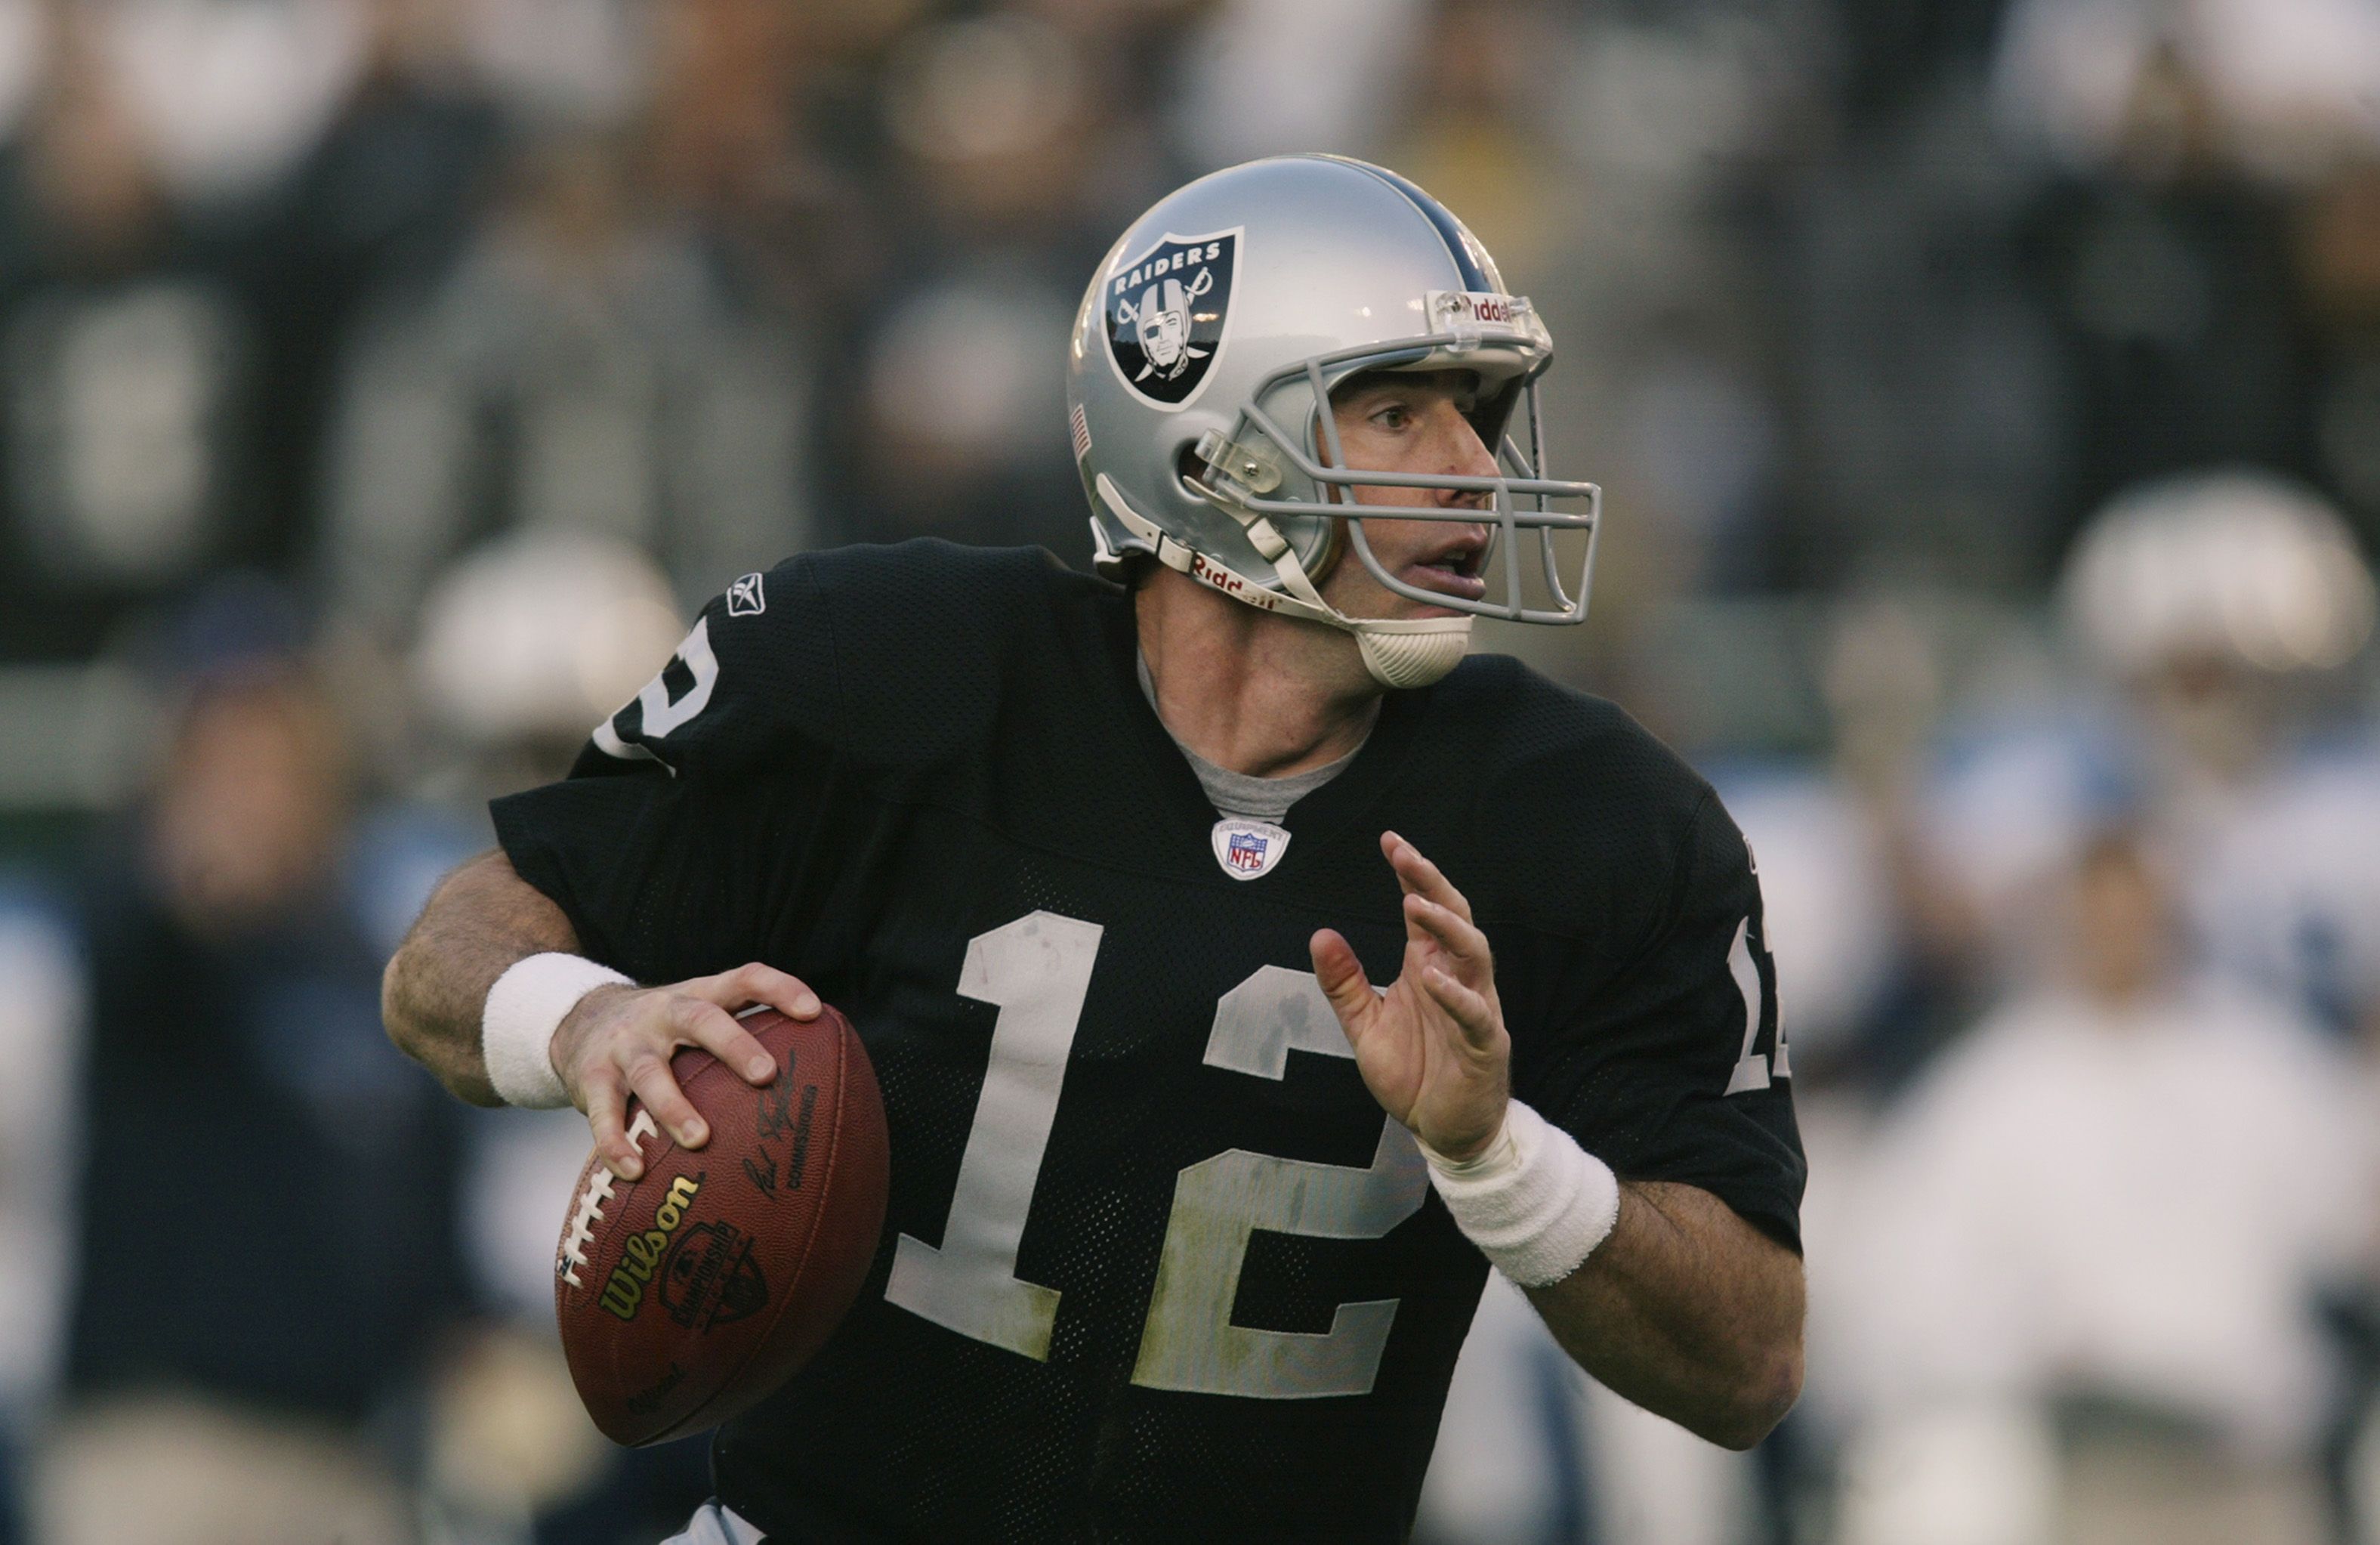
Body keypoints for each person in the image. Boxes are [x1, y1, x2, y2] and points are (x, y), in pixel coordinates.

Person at [384, 155, 1807, 1543]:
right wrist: (590, 1019)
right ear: (1206, 449)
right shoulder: (890, 674)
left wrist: (1497, 1157)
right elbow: (444, 959)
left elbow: (1746, 1362)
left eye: (1478, 415)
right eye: (1394, 412)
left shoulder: (1594, 816)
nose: (1471, 471)